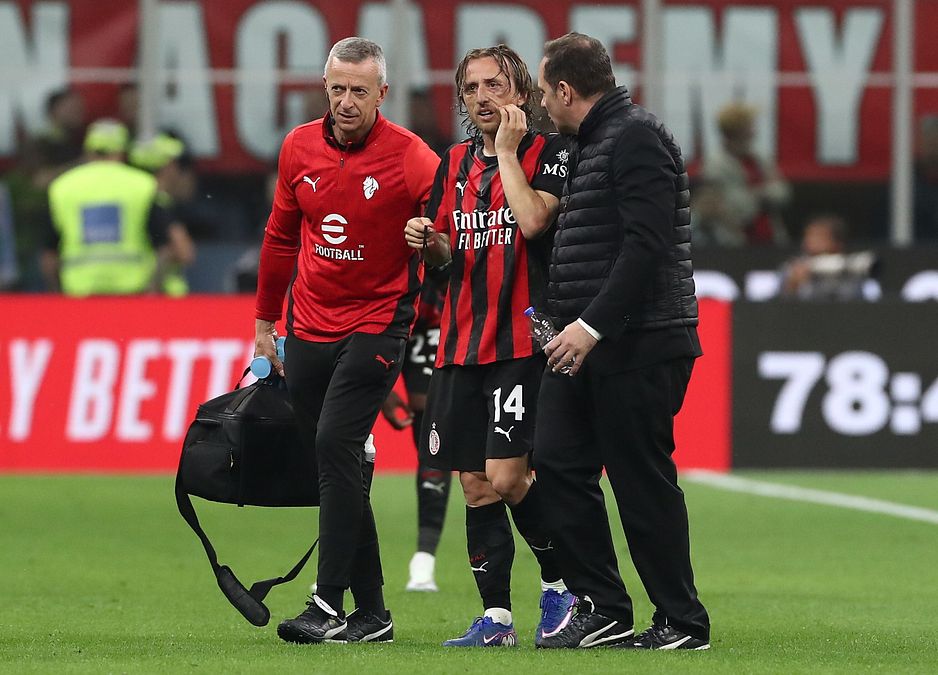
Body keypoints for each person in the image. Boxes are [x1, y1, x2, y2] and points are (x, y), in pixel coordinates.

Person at [253, 37, 440, 645]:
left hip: (379, 321)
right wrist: (264, 323)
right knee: (334, 460)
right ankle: (374, 614)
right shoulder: (297, 148)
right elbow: (282, 238)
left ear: (381, 94)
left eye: (360, 91)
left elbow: (453, 241)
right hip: (307, 322)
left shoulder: (413, 159)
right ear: (325, 86)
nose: (347, 101)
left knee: (337, 441)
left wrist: (428, 240)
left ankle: (327, 603)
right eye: (338, 89)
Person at [532, 33, 710, 650]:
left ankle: (683, 621)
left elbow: (647, 243)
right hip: (590, 344)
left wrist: (590, 324)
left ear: (564, 89)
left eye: (542, 89)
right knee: (555, 461)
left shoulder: (634, 136)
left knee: (640, 480)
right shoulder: (589, 143)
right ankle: (605, 606)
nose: (540, 102)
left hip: (641, 340)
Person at [404, 44, 574, 648]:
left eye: (494, 85)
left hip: (520, 340)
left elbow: (531, 222)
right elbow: (448, 259)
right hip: (459, 342)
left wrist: (505, 152)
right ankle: (497, 618)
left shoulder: (550, 153)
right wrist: (427, 241)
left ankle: (561, 587)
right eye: (471, 87)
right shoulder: (448, 164)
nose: (481, 97)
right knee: (474, 483)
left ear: (520, 94)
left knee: (507, 478)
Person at [39, 119, 191, 296]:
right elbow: (167, 248)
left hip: (79, 295)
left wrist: (56, 294)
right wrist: (153, 286)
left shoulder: (61, 187)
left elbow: (49, 255)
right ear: (122, 151)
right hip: (132, 293)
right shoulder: (143, 185)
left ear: (88, 150)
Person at [380, 267, 452, 592]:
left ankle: (425, 558)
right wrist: (383, 388)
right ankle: (343, 564)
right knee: (428, 429)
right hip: (402, 309)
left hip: (458, 306)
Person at [692, 101, 790, 247]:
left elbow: (783, 193)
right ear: (737, 131)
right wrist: (764, 193)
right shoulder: (716, 166)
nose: (754, 132)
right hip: (734, 242)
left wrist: (755, 194)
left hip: (770, 238)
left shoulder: (759, 160)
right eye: (750, 127)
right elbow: (739, 208)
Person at [129, 132, 198, 296]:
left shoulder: (136, 201)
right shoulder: (159, 202)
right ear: (169, 167)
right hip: (163, 294)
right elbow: (185, 252)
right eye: (180, 167)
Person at [779, 213, 877, 301]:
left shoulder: (853, 268)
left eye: (818, 238)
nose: (810, 243)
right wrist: (793, 286)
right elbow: (778, 308)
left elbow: (850, 302)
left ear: (837, 243)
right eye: (808, 237)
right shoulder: (794, 268)